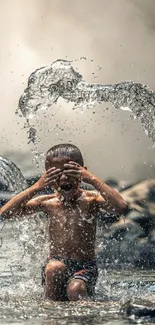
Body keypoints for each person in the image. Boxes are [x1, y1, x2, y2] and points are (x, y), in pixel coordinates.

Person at [0, 143, 128, 301]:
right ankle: (50, 314)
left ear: (82, 172)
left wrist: (92, 179)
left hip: (85, 267)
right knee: (55, 268)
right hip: (54, 264)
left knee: (75, 290)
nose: (63, 178)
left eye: (69, 171)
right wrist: (36, 187)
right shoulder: (47, 202)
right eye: (56, 174)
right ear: (47, 176)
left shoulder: (91, 200)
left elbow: (121, 206)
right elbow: (4, 213)